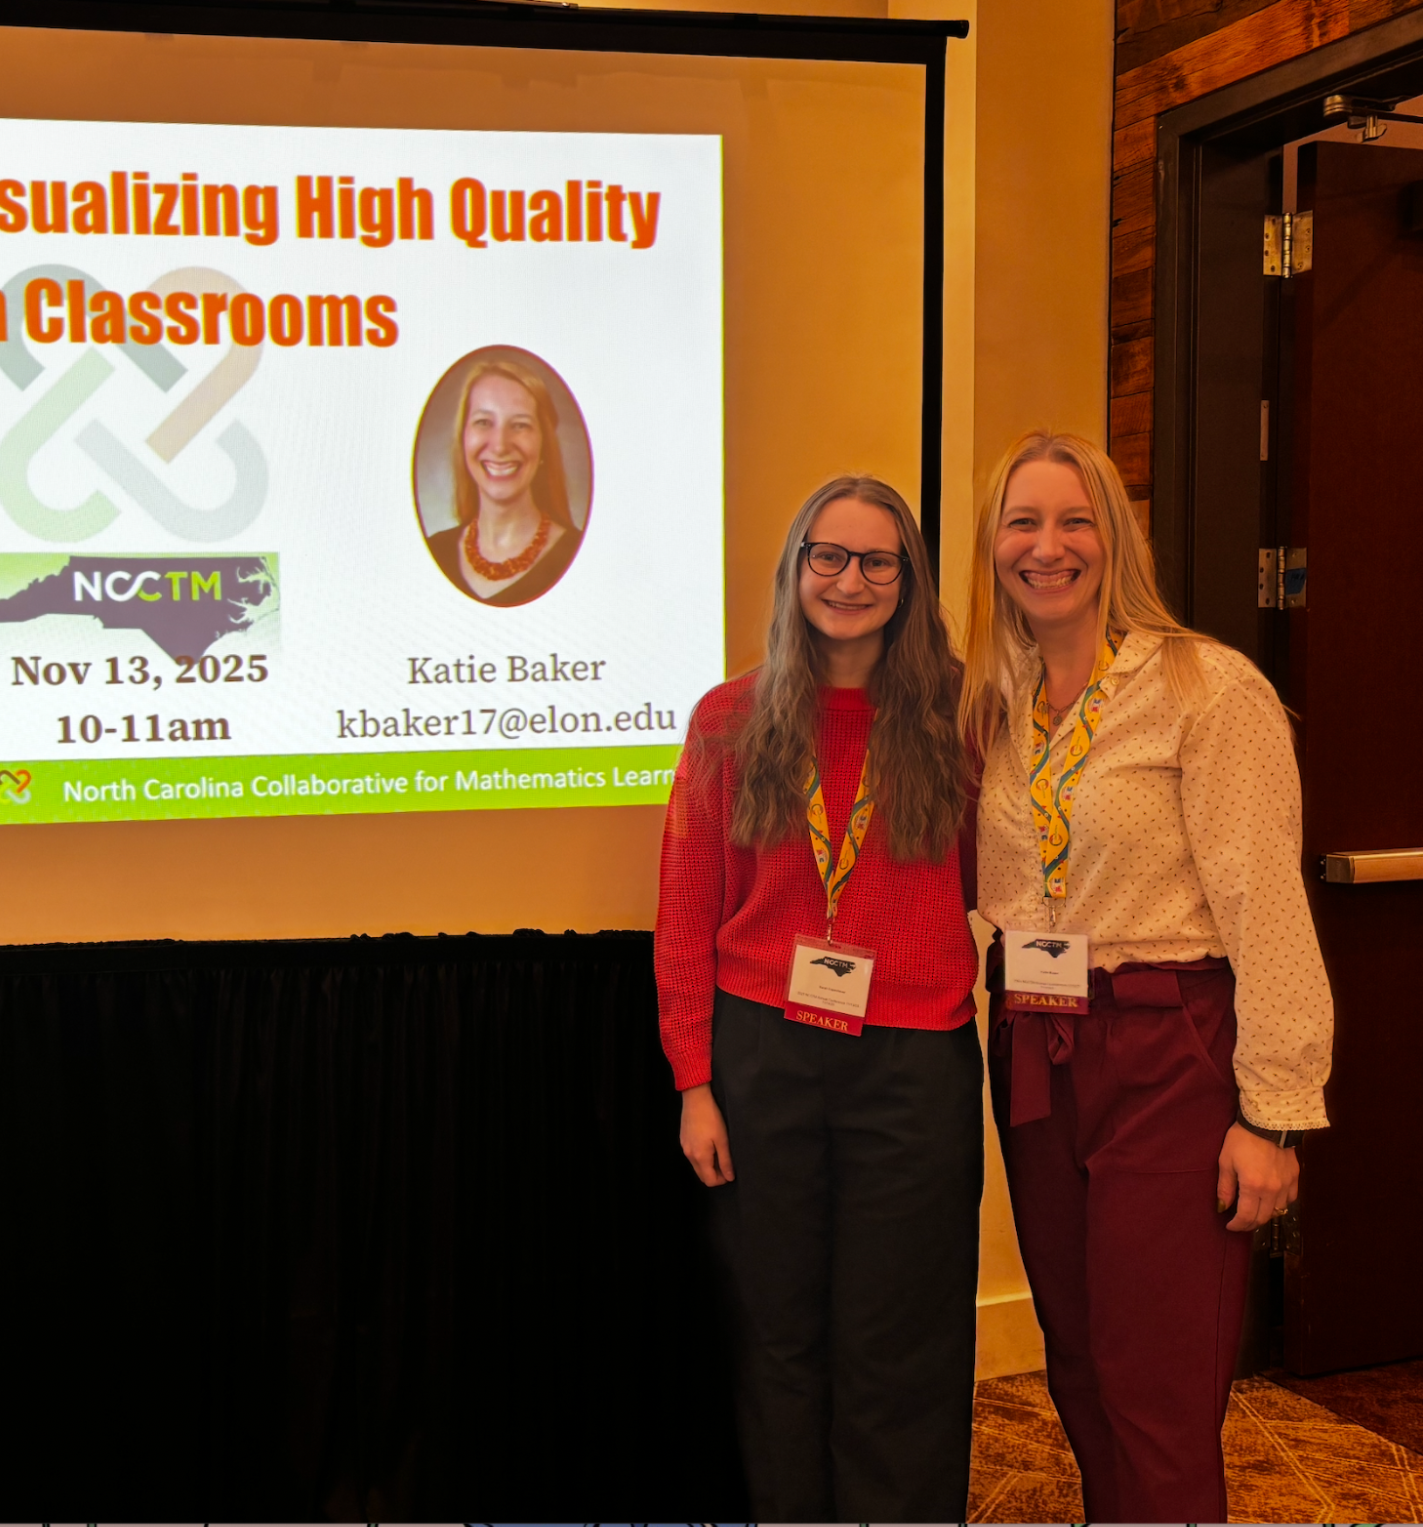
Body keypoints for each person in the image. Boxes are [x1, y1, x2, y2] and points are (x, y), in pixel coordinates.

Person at [962, 431, 1333, 1523]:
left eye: (1074, 521)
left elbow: (1264, 904)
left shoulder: (1205, 689)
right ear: (992, 548)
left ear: (1114, 540)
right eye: (1022, 523)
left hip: (1166, 1045)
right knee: (1076, 1361)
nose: (1047, 547)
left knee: (1156, 1381)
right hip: (1033, 1041)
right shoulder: (997, 700)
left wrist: (1272, 1117)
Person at [655, 475, 982, 1521]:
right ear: (795, 570)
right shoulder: (729, 719)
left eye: (875, 561)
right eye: (827, 558)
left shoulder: (960, 717)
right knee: (778, 1337)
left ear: (907, 581)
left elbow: (1004, 880)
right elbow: (685, 909)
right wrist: (694, 1081)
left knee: (904, 1344)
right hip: (763, 1060)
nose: (849, 581)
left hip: (913, 1066)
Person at [426, 359, 581, 605]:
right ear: (463, 437)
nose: (499, 446)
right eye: (483, 423)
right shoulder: (434, 551)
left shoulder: (577, 555)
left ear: (543, 445)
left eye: (520, 425)